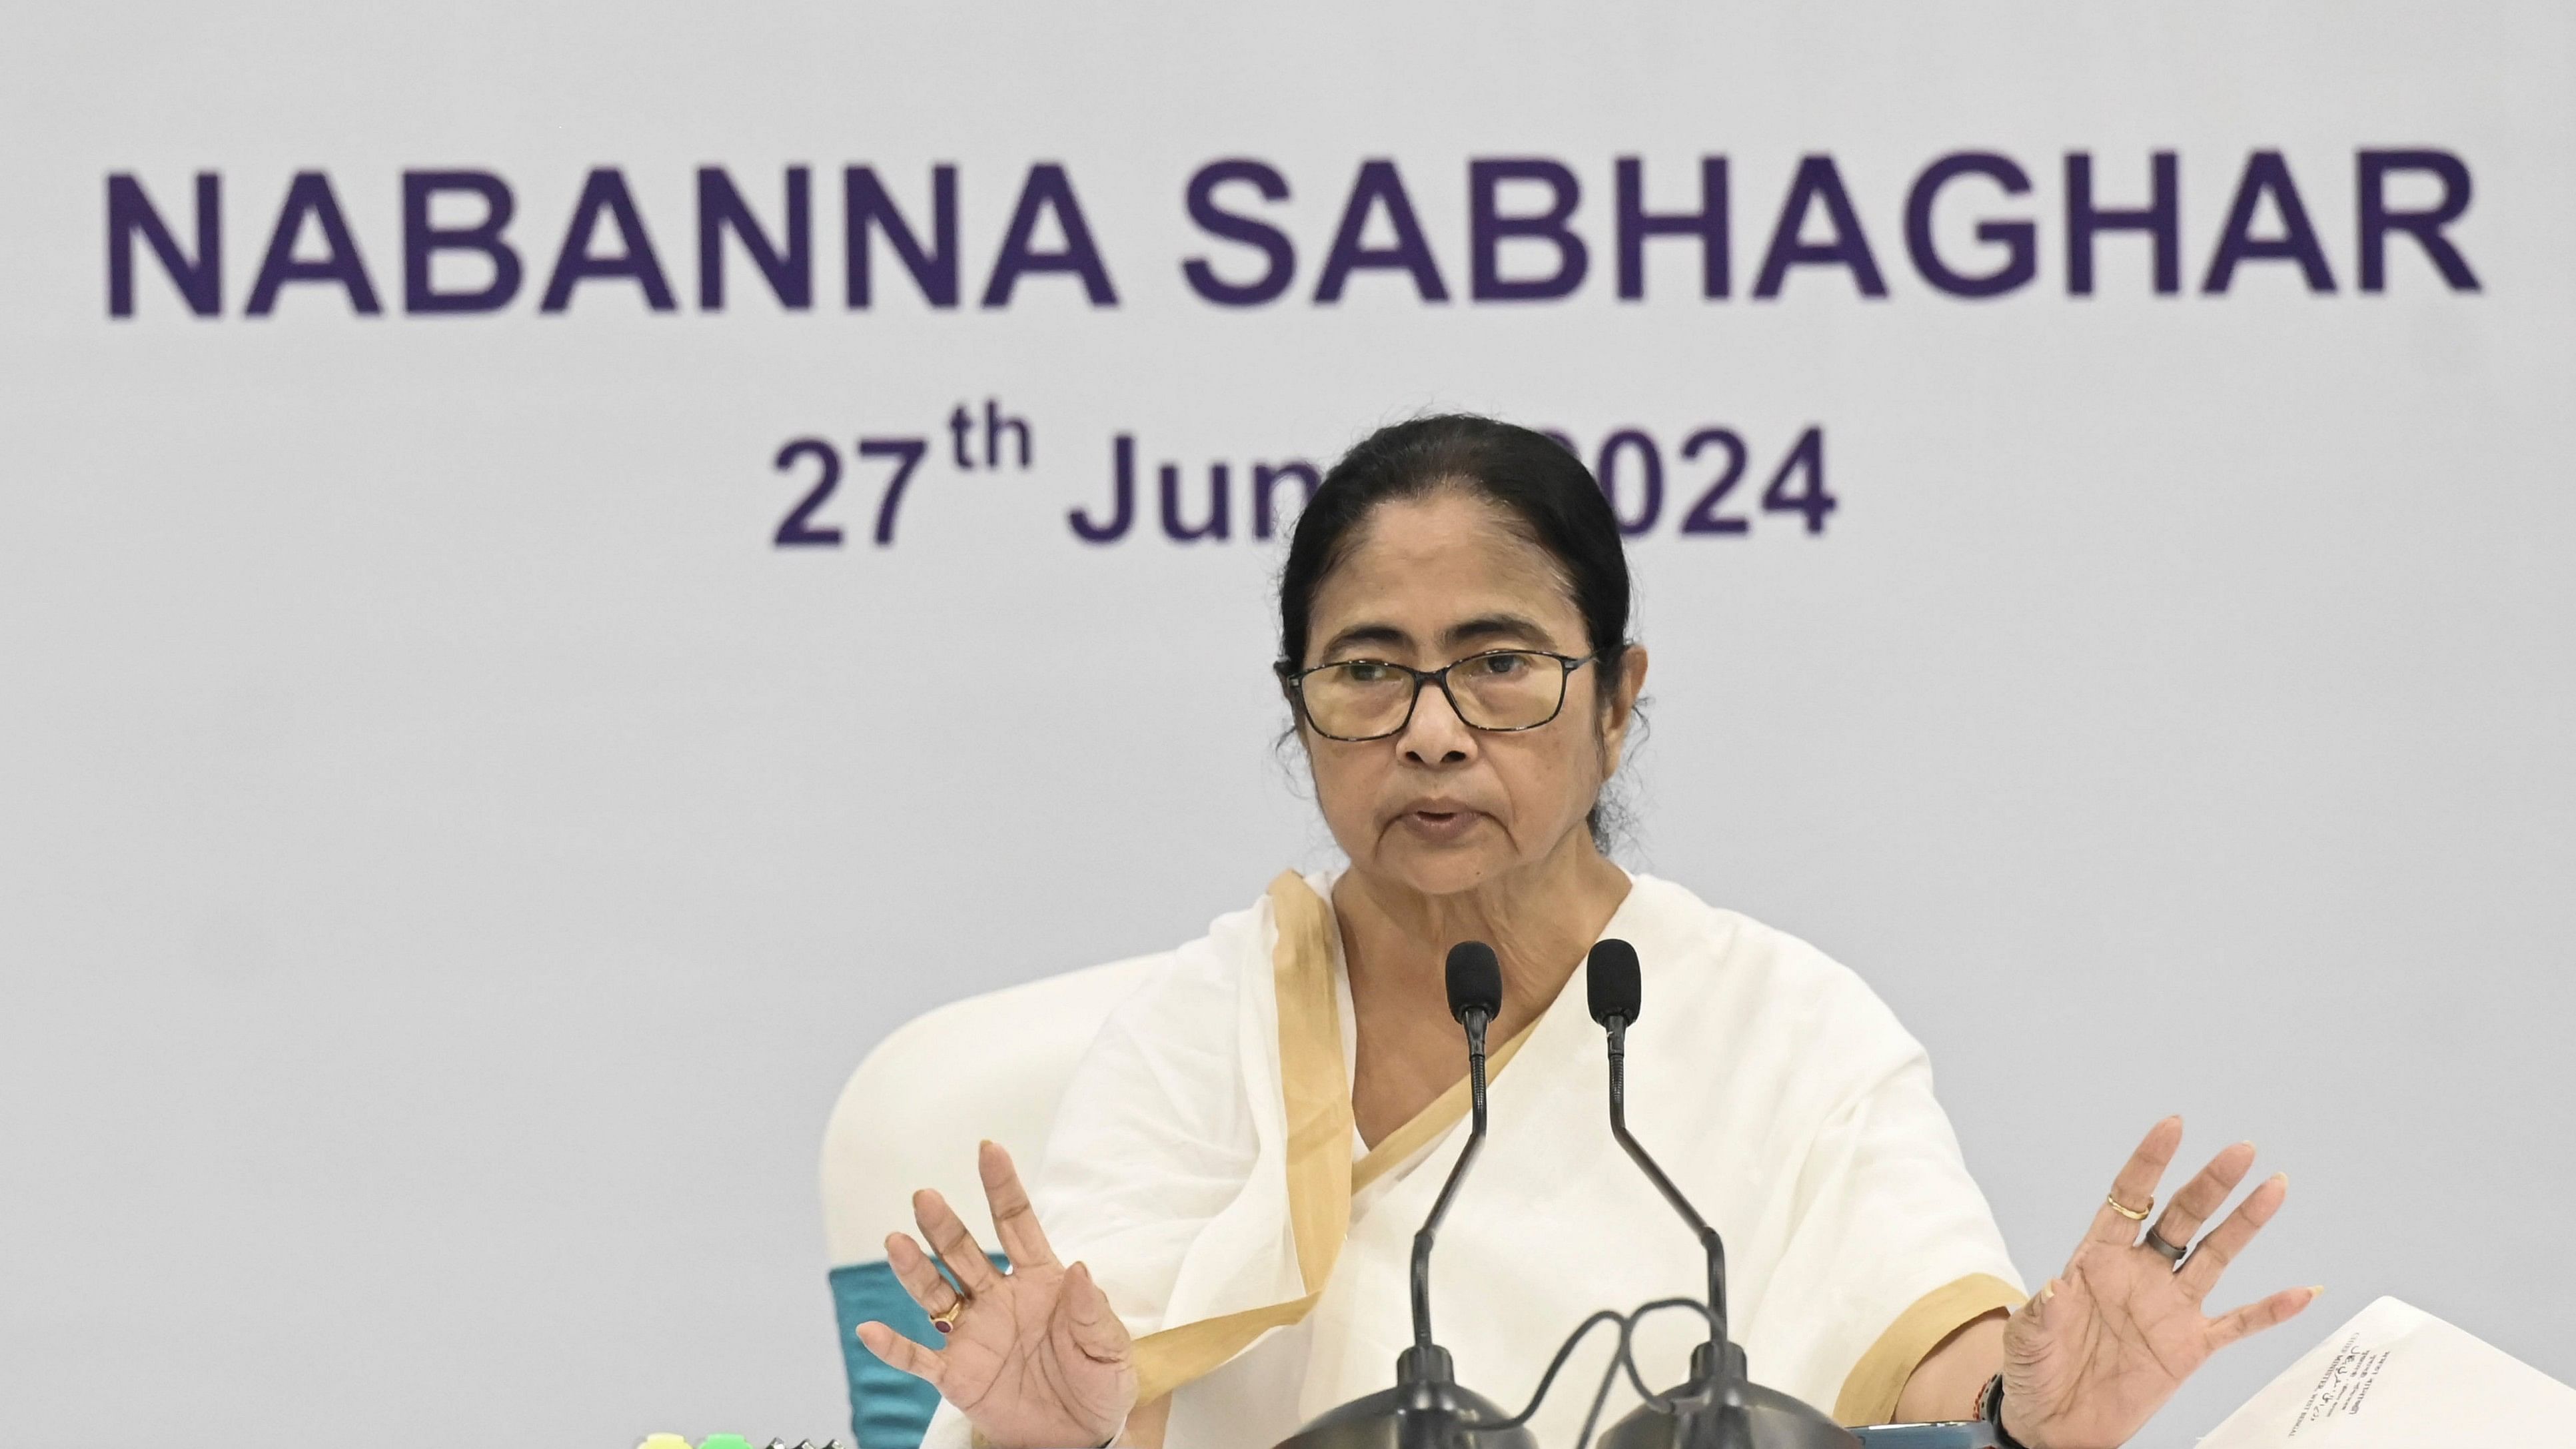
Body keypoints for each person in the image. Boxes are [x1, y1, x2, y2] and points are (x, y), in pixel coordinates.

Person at [855, 415, 2317, 1449]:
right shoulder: (1196, 1033)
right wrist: (1048, 1436)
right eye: (1367, 672)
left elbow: (1918, 1362)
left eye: (1498, 665)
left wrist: (2024, 1413)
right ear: (1300, 712)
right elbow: (1089, 1386)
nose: (1431, 733)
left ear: (1615, 700)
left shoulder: (1785, 1024)